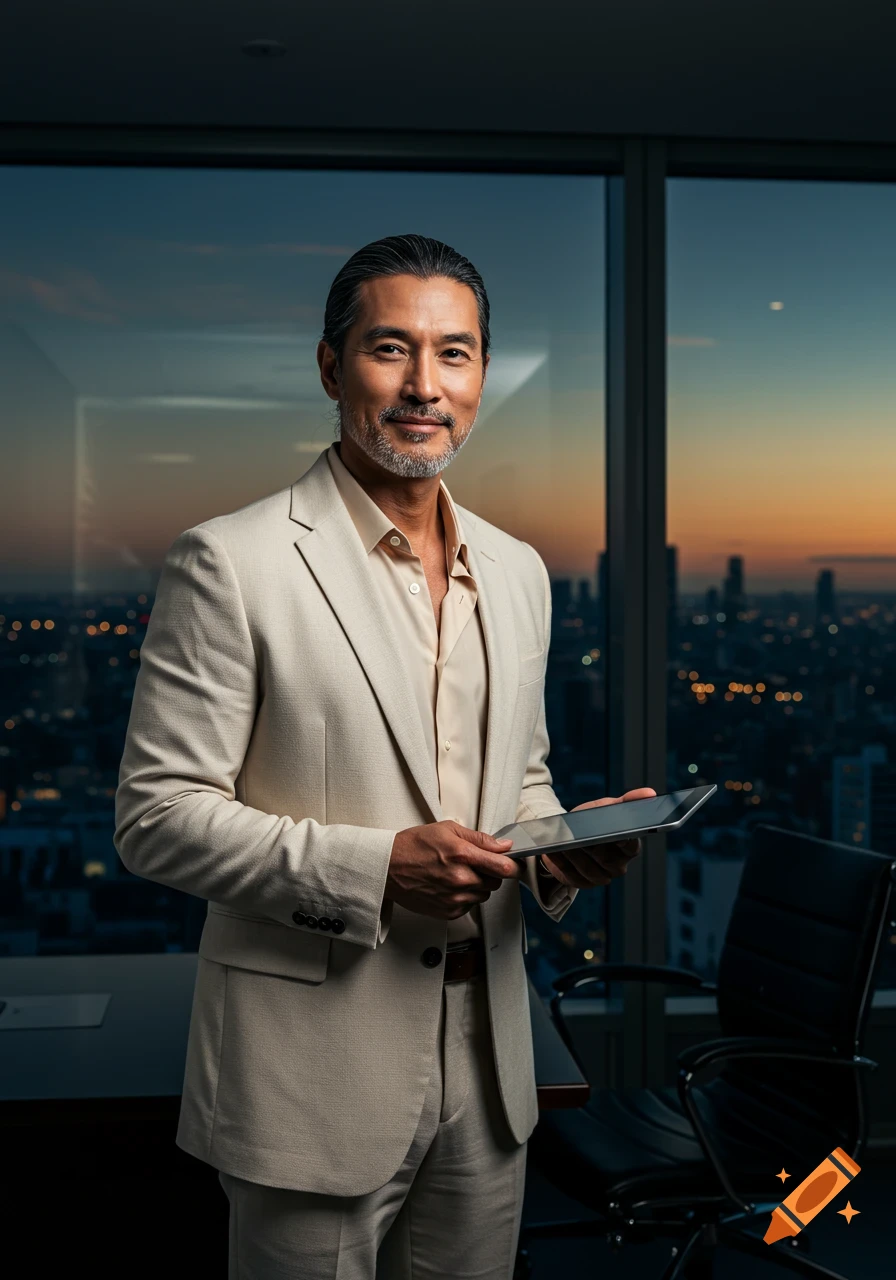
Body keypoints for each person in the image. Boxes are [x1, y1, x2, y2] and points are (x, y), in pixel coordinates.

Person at [114, 233, 655, 1280]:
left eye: (453, 354)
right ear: (331, 367)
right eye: (388, 349)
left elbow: (519, 780)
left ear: (481, 377)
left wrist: (556, 851)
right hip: (308, 1073)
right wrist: (373, 867)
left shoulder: (519, 570)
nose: (423, 386)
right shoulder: (232, 560)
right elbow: (155, 816)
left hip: (489, 1063)